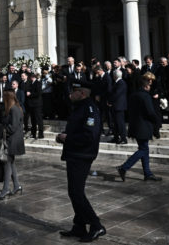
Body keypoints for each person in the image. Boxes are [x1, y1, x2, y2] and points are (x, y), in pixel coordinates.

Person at [56, 82, 105, 242]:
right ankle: (79, 226)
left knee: (76, 192)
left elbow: (89, 135)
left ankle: (96, 225)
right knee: (74, 191)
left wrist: (68, 138)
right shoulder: (79, 107)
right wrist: (64, 137)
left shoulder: (90, 109)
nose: (70, 94)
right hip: (74, 154)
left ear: (82, 93)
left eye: (74, 91)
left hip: (82, 155)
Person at [116, 78, 162, 182]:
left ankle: (147, 173)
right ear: (146, 86)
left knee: (144, 149)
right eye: (149, 86)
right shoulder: (145, 96)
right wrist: (157, 120)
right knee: (143, 149)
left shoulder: (133, 95)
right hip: (143, 126)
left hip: (135, 125)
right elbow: (150, 112)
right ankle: (124, 167)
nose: (150, 87)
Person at [0, 91, 25, 200]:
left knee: (7, 164)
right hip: (12, 140)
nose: (2, 99)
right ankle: (16, 186)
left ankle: (6, 189)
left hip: (12, 141)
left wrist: (2, 130)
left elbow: (13, 127)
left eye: (4, 98)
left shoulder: (14, 109)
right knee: (10, 163)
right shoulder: (13, 108)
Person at [108, 69, 127, 144]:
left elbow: (117, 94)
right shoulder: (117, 82)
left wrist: (110, 101)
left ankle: (123, 138)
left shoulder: (121, 83)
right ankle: (116, 137)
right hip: (116, 105)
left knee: (120, 123)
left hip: (119, 106)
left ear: (115, 76)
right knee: (115, 123)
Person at [26, 73, 44, 139]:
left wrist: (30, 94)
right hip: (31, 104)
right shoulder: (30, 83)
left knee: (39, 119)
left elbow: (38, 93)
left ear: (32, 77)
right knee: (33, 119)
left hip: (37, 104)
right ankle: (33, 133)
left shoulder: (38, 83)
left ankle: (41, 134)